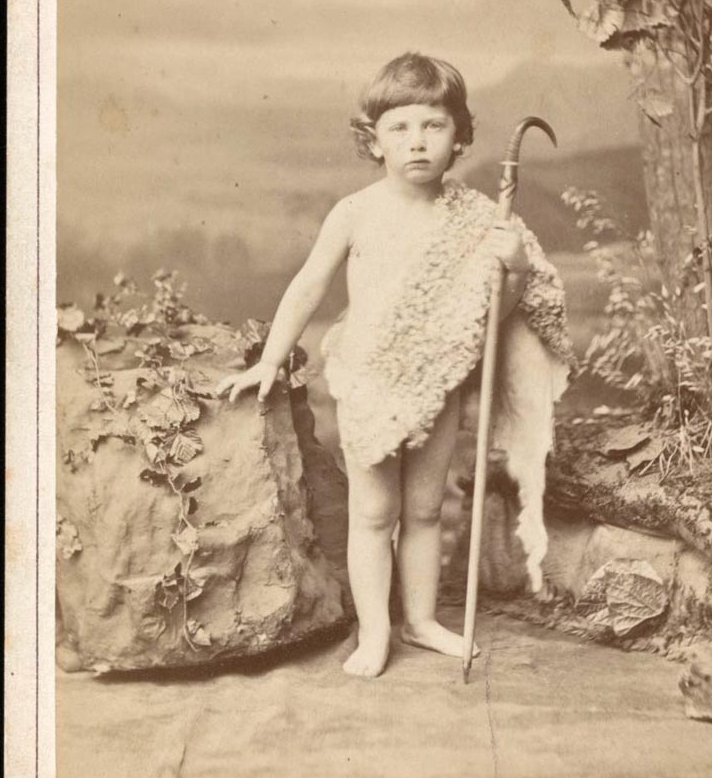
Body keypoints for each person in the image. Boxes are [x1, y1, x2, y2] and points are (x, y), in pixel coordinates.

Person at [217, 52, 573, 678]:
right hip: (371, 382)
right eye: (400, 128)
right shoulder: (356, 212)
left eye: (434, 127)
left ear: (459, 137)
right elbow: (308, 286)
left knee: (427, 511)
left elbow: (501, 309)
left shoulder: (478, 219)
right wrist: (270, 360)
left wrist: (513, 263)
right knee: (374, 514)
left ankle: (422, 619)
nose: (417, 142)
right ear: (373, 139)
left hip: (439, 382)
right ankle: (375, 632)